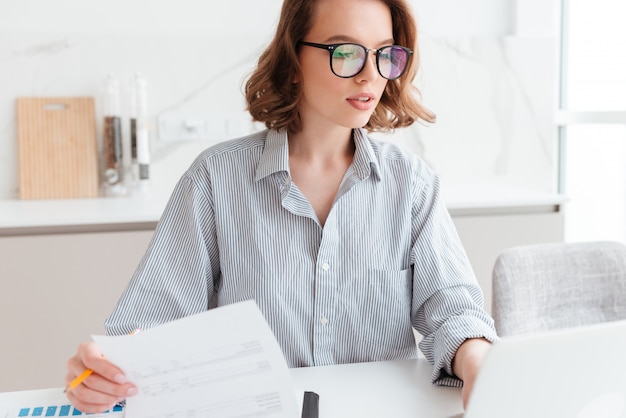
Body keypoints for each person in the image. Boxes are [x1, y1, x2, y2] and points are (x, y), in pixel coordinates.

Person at [65, 0, 498, 413]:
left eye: (385, 54)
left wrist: (478, 360)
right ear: (293, 63)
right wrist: (103, 368)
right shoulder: (216, 179)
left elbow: (452, 309)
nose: (369, 74)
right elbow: (150, 325)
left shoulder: (412, 185)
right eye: (345, 52)